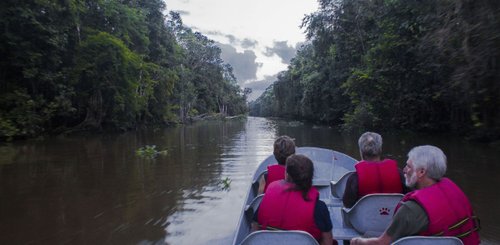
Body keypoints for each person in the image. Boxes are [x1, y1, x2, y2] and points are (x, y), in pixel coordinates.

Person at [350, 145, 480, 245]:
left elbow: (381, 243)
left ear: (421, 172)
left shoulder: (409, 209)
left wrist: (356, 241)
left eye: (408, 166)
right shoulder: (455, 190)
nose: (404, 170)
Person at [252, 154, 336, 245]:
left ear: (287, 175)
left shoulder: (268, 196)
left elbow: (255, 226)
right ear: (310, 177)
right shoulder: (319, 207)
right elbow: (328, 242)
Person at [343, 132, 408, 208]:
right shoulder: (399, 173)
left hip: (365, 219)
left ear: (361, 152)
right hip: (394, 218)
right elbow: (408, 196)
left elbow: (347, 204)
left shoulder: (354, 178)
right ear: (380, 150)